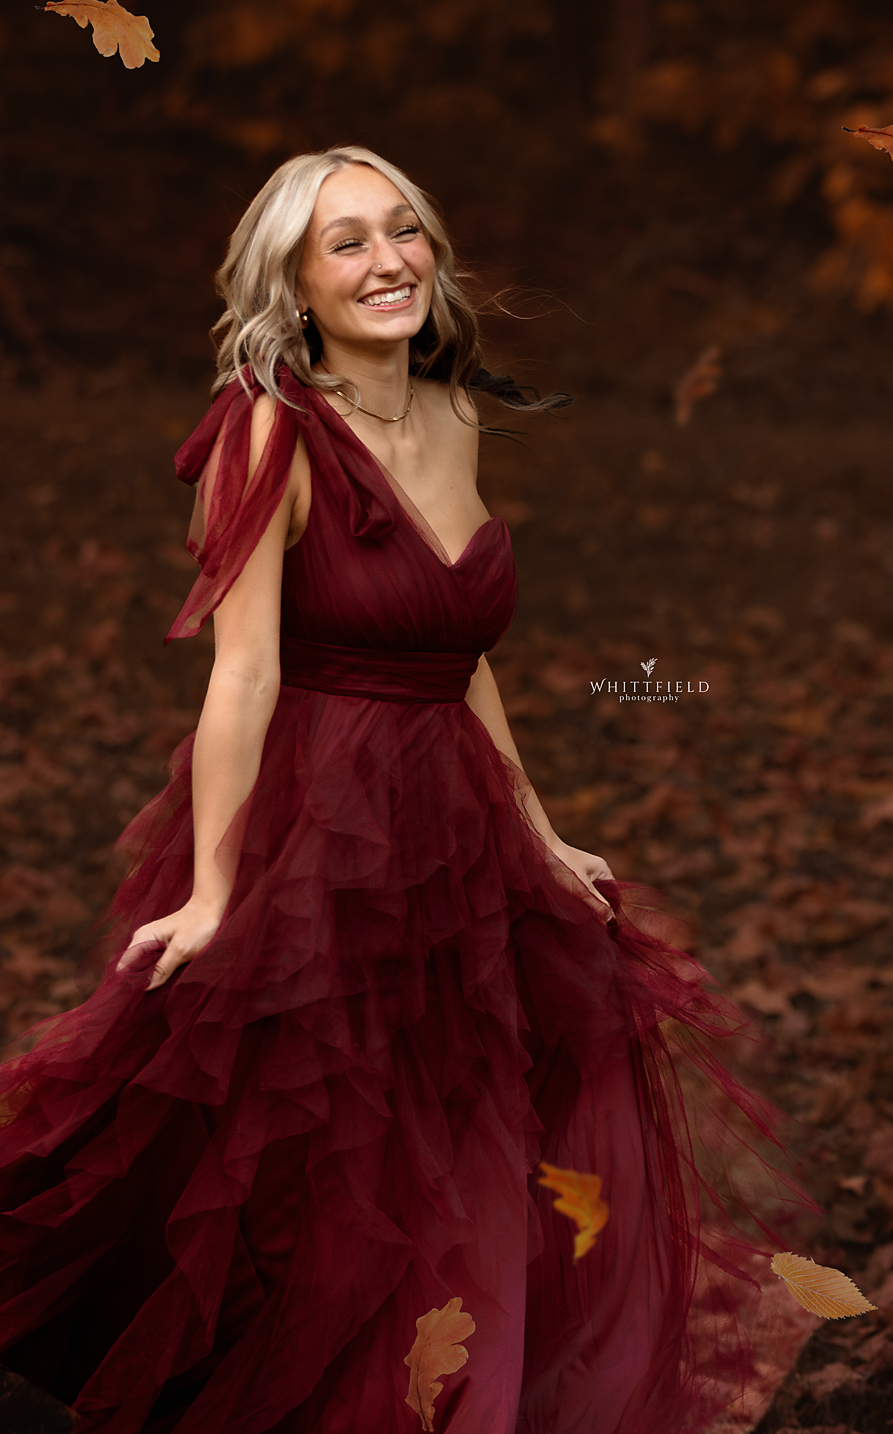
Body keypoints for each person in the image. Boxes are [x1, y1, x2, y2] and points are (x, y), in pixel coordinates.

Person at [0, 146, 814, 1434]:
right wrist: (214, 888)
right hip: (322, 818)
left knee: (480, 1116)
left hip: (455, 819)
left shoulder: (455, 414)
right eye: (347, 244)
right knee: (319, 1142)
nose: (387, 262)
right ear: (294, 284)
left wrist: (539, 833)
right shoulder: (270, 429)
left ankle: (457, 1393)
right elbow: (244, 673)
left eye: (404, 231)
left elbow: (459, 654)